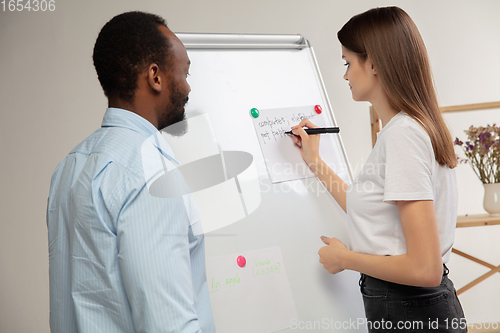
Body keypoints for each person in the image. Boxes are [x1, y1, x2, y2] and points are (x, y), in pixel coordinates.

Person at [291, 7, 467, 332]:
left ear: (372, 63)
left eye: (347, 63)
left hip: (409, 308)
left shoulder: (403, 135)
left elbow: (425, 267)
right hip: (419, 306)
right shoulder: (409, 129)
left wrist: (345, 259)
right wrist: (315, 162)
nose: (344, 75)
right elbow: (372, 215)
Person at [47, 11, 215, 332]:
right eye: (184, 73)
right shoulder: (151, 173)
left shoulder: (70, 166)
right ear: (155, 76)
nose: (188, 87)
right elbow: (169, 324)